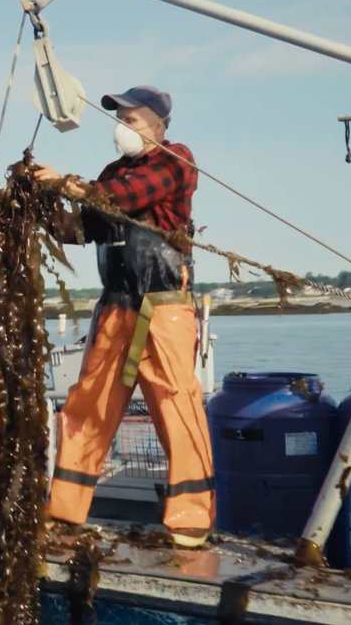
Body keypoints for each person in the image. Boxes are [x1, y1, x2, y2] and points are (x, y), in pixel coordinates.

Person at [30, 85, 215, 548]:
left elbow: (123, 198)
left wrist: (62, 183)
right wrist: (42, 203)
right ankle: (65, 511)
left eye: (130, 119)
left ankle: (191, 520)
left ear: (158, 125)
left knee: (175, 404)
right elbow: (82, 229)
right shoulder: (111, 172)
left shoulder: (176, 160)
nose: (120, 126)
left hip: (164, 306)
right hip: (115, 306)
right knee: (87, 405)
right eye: (119, 118)